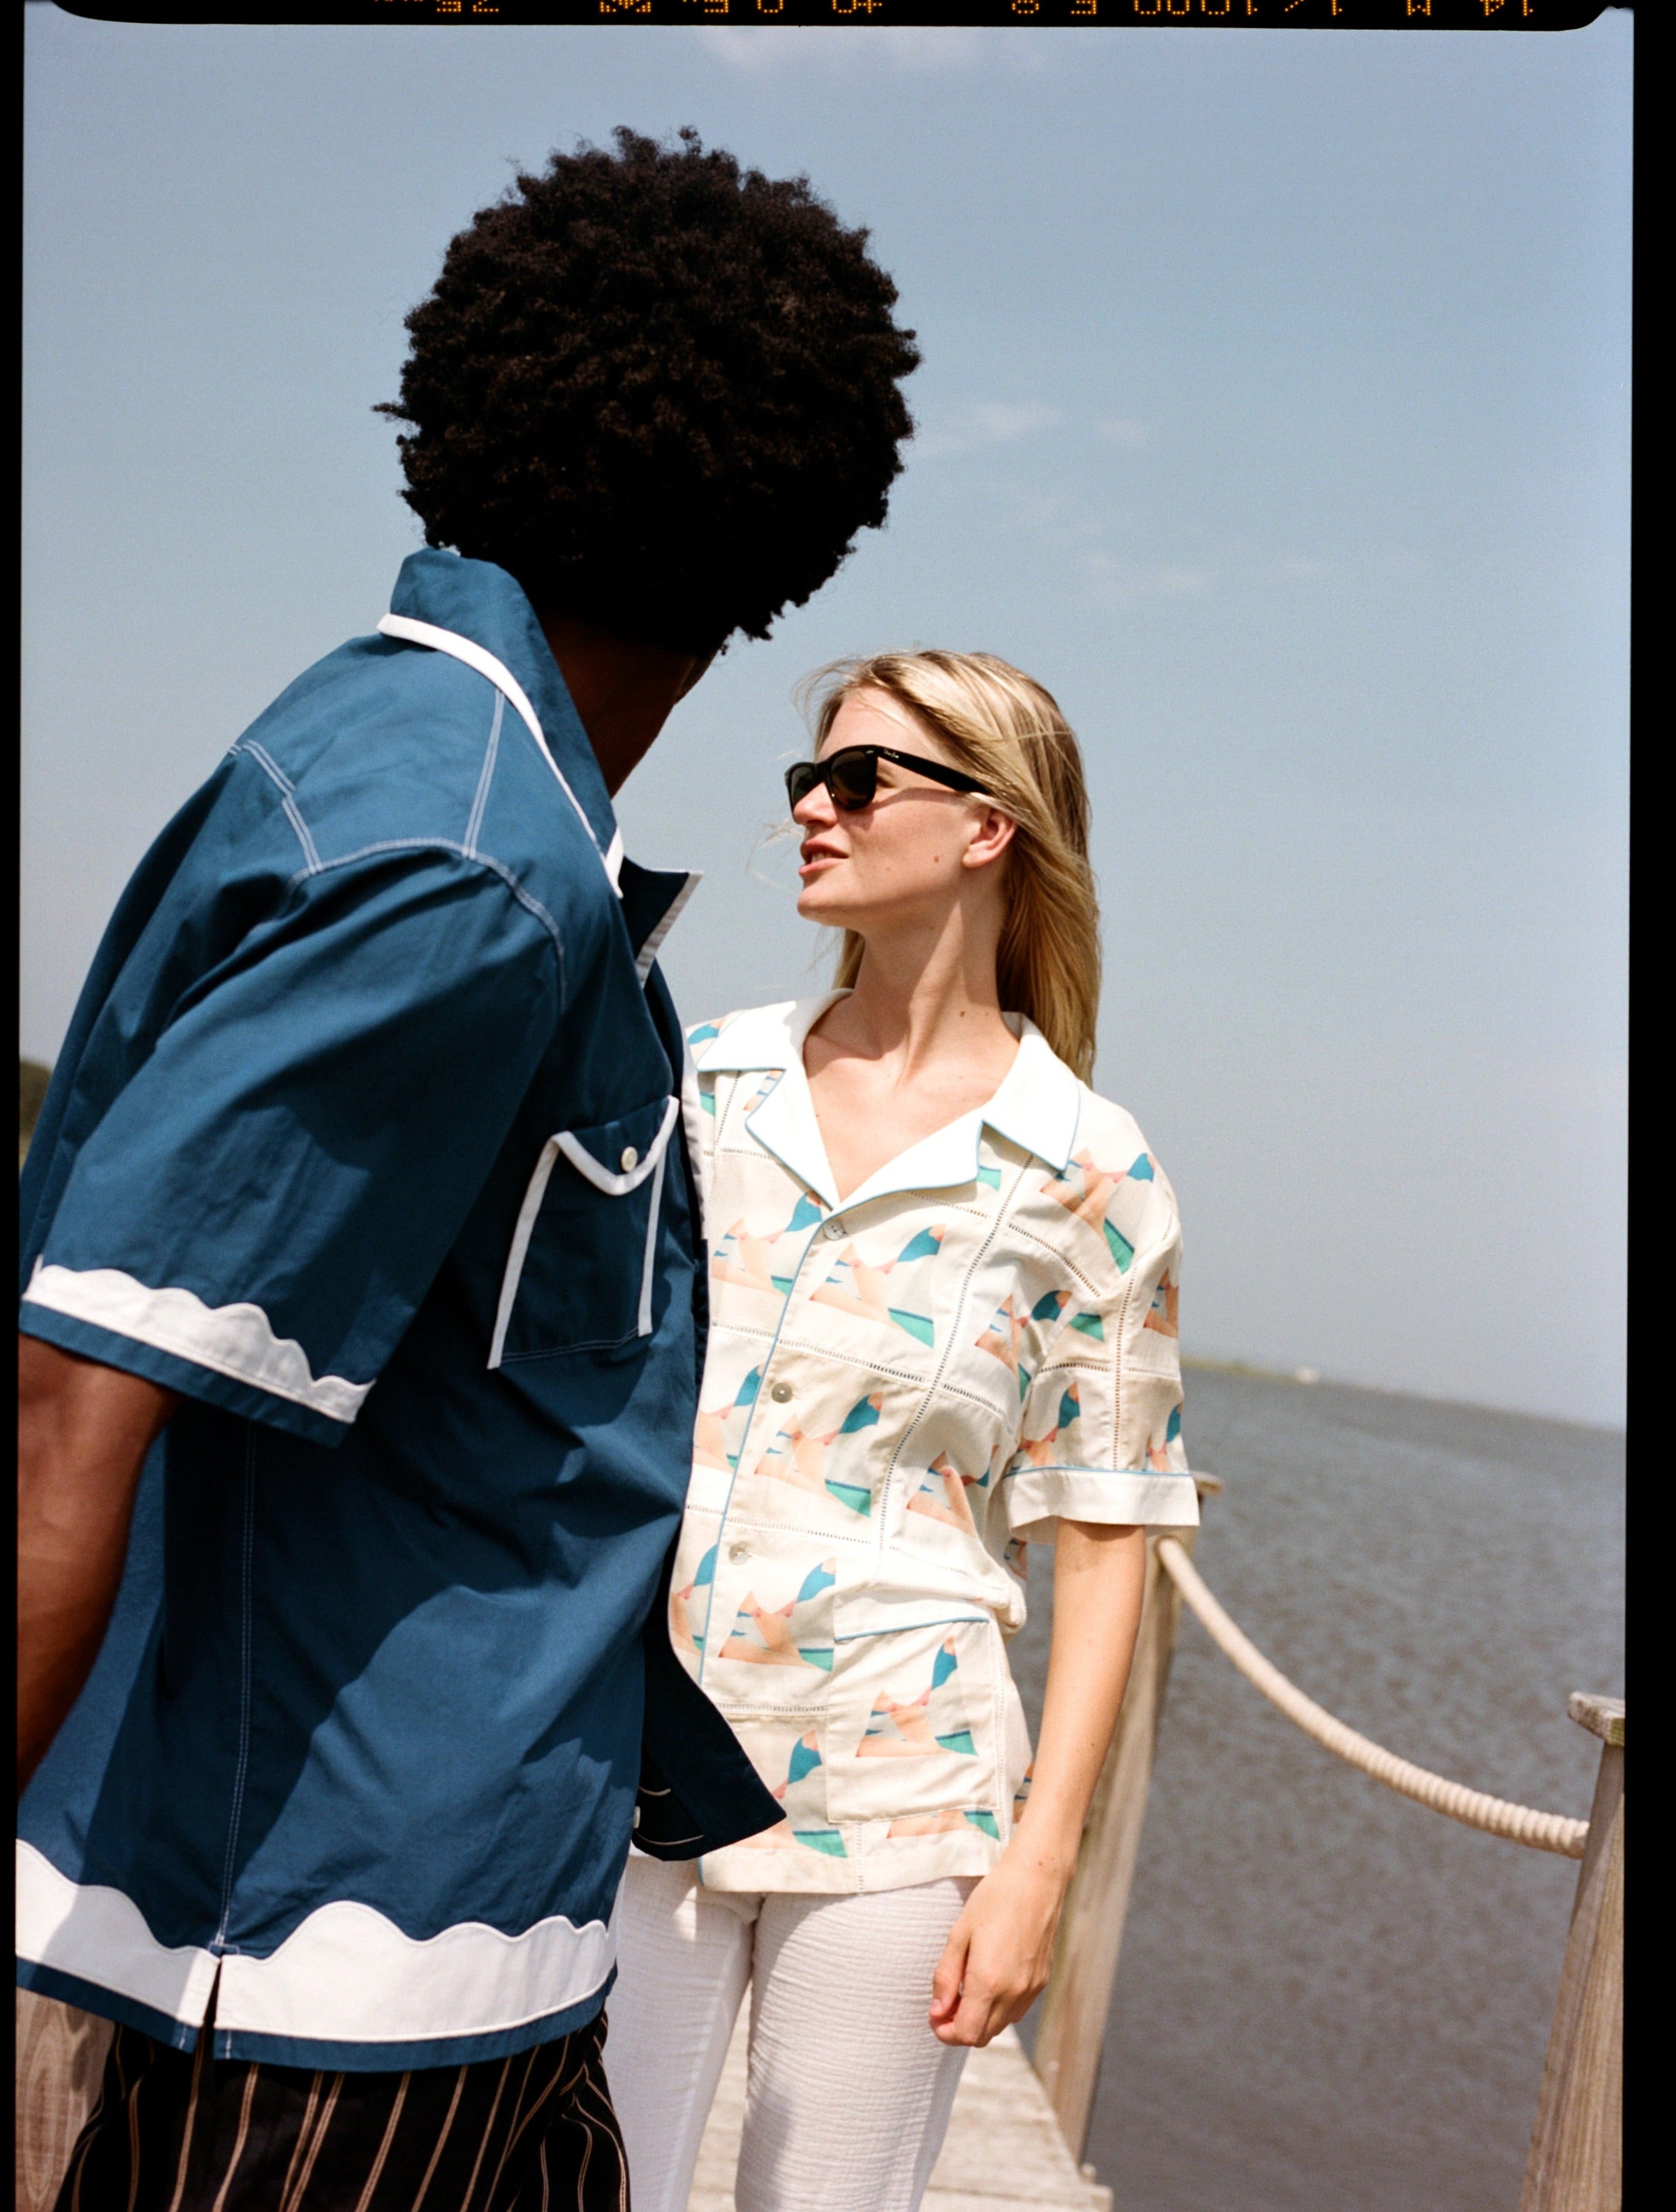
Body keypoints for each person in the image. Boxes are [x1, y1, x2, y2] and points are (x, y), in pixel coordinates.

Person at [17, 128, 919, 2209]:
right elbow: (73, 1401)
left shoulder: (464, 793)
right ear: (796, 521)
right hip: (319, 1976)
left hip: (482, 1928)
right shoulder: (462, 864)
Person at [606, 651, 1200, 2212]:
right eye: (808, 777)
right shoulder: (704, 1081)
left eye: (858, 779)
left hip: (904, 1793)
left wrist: (1037, 1869)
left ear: (988, 826)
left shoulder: (1090, 1170)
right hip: (635, 1757)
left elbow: (1108, 1538)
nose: (812, 808)